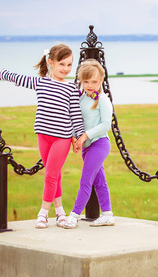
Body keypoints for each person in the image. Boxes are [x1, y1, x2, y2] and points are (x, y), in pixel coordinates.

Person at [0, 43, 85, 229]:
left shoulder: (71, 89)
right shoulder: (40, 82)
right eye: (62, 64)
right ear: (51, 63)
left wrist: (78, 138)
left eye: (69, 65)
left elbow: (76, 116)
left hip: (61, 138)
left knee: (51, 175)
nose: (66, 69)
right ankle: (60, 212)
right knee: (55, 175)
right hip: (43, 136)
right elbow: (17, 78)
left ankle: (43, 213)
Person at [63, 58, 114, 229]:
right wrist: (74, 137)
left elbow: (106, 125)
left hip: (99, 144)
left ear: (101, 80)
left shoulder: (104, 101)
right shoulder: (80, 98)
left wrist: (85, 135)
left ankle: (74, 216)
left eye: (94, 81)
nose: (90, 85)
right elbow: (74, 119)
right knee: (100, 182)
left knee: (85, 181)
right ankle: (107, 215)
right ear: (81, 81)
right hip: (86, 146)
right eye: (86, 81)